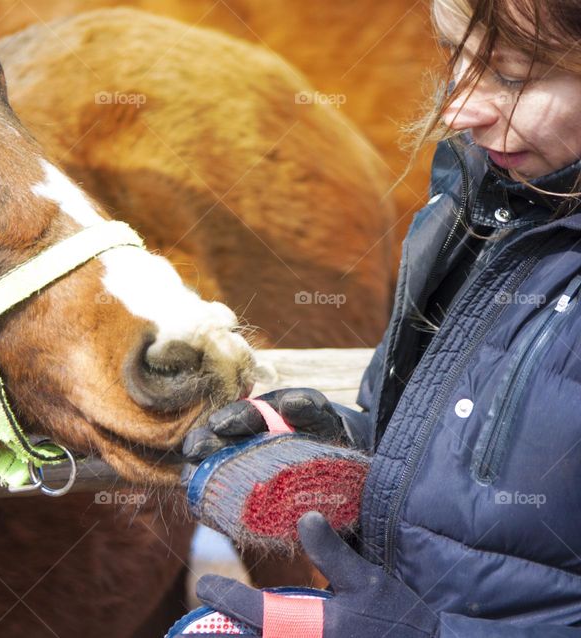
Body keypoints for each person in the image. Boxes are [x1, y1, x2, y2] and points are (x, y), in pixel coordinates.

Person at [172, 0, 581, 635]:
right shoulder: (478, 210)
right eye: (454, 56)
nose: (456, 108)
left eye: (511, 74)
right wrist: (353, 445)